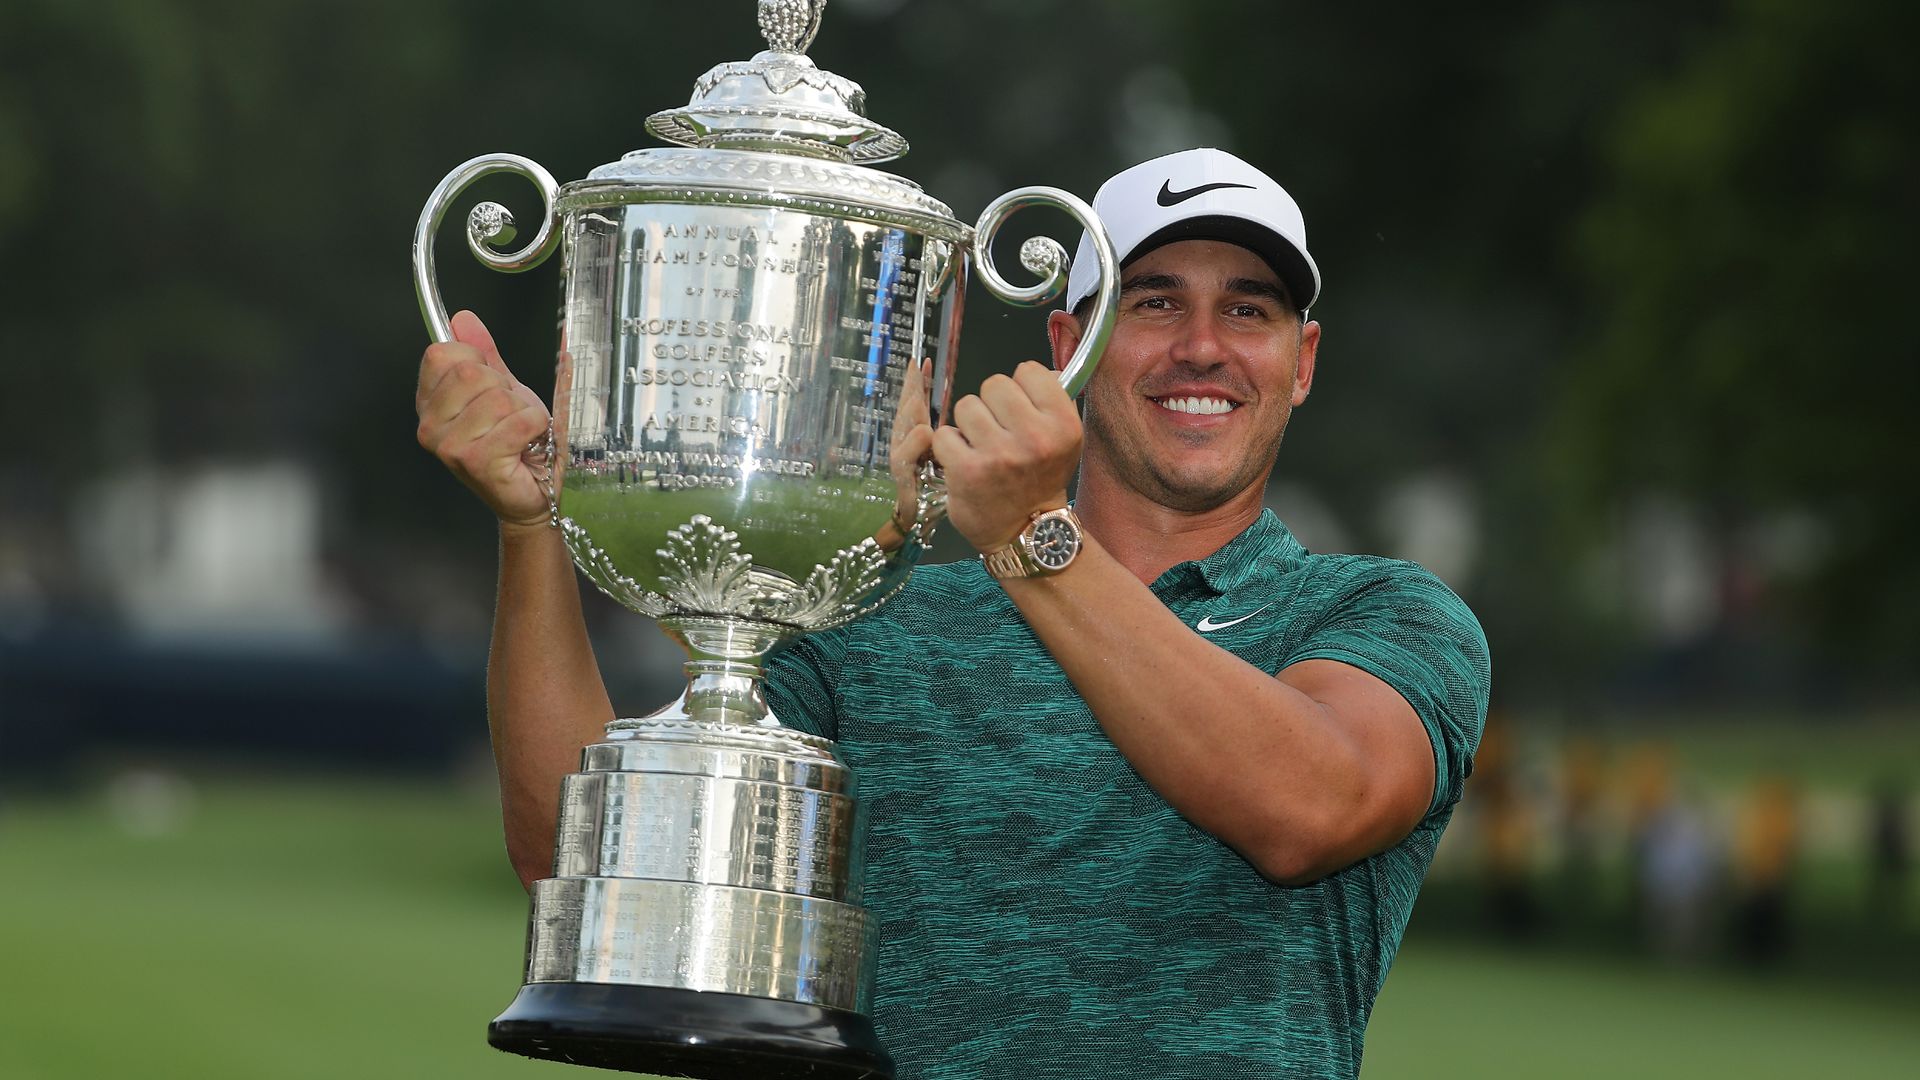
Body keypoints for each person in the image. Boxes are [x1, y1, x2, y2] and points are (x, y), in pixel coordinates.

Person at [416, 147, 1490, 1080]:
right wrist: (531, 532)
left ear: (1300, 363)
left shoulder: (1382, 613)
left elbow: (1307, 808)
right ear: (1072, 340)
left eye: (1248, 308)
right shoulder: (877, 617)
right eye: (1154, 301)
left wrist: (1029, 542)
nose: (1201, 347)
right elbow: (583, 868)